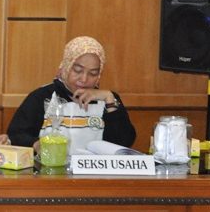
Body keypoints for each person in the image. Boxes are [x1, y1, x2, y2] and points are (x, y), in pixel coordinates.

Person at [7, 35, 136, 152]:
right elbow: (15, 135)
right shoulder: (42, 96)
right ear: (66, 66)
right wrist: (35, 144)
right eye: (78, 70)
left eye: (93, 73)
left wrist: (109, 100)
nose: (84, 79)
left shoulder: (109, 99)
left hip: (96, 169)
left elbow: (123, 144)